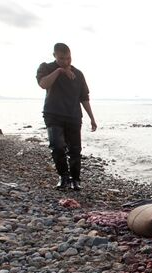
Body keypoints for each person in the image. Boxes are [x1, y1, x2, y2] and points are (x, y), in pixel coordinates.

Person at [36, 43, 97, 191]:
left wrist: (92, 118)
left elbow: (84, 97)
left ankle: (75, 180)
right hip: (53, 115)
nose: (66, 61)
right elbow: (43, 84)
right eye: (62, 58)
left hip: (73, 116)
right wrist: (59, 71)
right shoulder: (46, 68)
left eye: (68, 58)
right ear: (55, 56)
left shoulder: (78, 74)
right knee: (57, 147)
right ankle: (63, 177)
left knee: (75, 150)